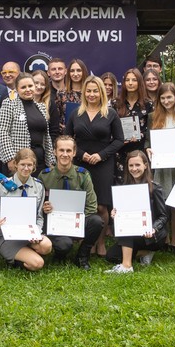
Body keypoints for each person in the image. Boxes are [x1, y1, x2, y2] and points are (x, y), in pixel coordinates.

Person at [64, 75, 124, 256]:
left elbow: (119, 140)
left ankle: (101, 242)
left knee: (101, 206)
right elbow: (66, 139)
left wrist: (101, 155)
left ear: (101, 92)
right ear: (84, 93)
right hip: (81, 163)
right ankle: (86, 242)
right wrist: (80, 154)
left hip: (103, 163)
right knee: (82, 204)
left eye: (95, 91)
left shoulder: (110, 113)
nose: (91, 94)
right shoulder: (76, 113)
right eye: (88, 91)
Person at [39, 136, 103, 269]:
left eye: (68, 151)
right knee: (64, 245)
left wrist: (75, 223)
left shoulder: (83, 175)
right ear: (55, 152)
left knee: (96, 221)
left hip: (77, 220)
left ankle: (82, 255)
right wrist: (44, 208)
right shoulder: (44, 176)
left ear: (74, 153)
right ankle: (59, 254)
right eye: (61, 150)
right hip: (54, 222)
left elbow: (92, 206)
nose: (65, 154)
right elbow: (37, 207)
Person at [146, 82, 175, 254]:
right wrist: (148, 148)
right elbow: (148, 140)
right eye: (163, 98)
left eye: (169, 97)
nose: (166, 101)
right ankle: (164, 240)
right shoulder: (152, 116)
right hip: (161, 167)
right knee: (162, 204)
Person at [104, 150, 168, 273]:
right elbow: (122, 213)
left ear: (145, 165)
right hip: (133, 234)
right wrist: (115, 214)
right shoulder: (124, 188)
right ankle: (145, 253)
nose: (134, 169)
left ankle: (126, 266)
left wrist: (153, 228)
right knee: (111, 256)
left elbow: (163, 216)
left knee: (127, 230)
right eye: (131, 165)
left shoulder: (155, 188)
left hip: (151, 236)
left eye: (137, 165)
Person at [0, 148, 53, 271]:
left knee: (47, 246)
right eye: (22, 164)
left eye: (29, 165)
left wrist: (36, 232)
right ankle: (17, 258)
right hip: (9, 236)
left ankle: (26, 253)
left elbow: (39, 216)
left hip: (29, 234)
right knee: (37, 264)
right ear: (16, 164)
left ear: (34, 166)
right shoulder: (4, 185)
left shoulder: (38, 186)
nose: (26, 168)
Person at [0, 73, 55, 173]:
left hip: (39, 160)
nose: (28, 89)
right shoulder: (9, 104)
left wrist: (51, 160)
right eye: (23, 87)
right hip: (18, 161)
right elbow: (2, 132)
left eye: (30, 86)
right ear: (17, 89)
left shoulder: (41, 107)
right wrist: (10, 158)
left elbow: (46, 136)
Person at [114, 68, 153, 183]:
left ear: (139, 82)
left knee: (141, 185)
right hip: (120, 152)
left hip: (140, 152)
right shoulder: (115, 103)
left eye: (134, 80)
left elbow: (152, 129)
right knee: (121, 186)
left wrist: (140, 135)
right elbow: (110, 128)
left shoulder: (148, 104)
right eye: (127, 80)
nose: (130, 83)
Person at [55, 58, 88, 131]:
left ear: (84, 72)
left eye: (78, 70)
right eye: (72, 71)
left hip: (86, 134)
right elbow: (56, 118)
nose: (75, 74)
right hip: (65, 134)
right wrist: (62, 126)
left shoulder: (89, 94)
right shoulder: (61, 94)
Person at [30, 69, 61, 141]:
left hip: (43, 145)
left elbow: (54, 131)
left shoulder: (50, 104)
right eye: (36, 83)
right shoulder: (21, 102)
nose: (39, 86)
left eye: (42, 84)